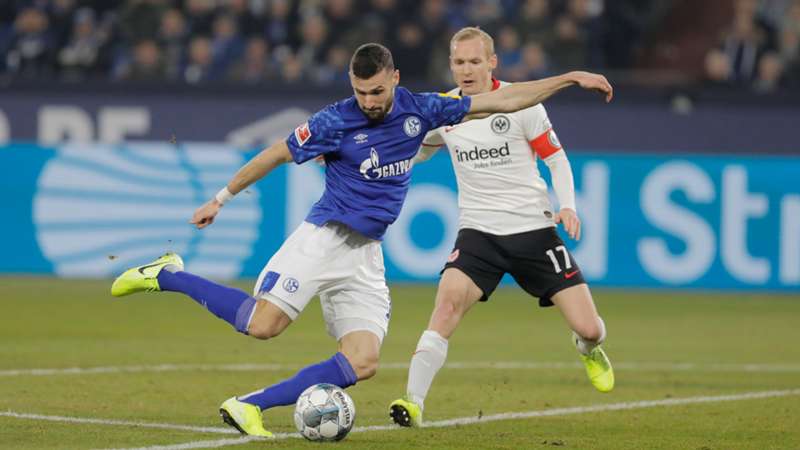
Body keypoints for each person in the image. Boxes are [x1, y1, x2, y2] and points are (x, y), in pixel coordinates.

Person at [110, 42, 612, 437]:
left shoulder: (423, 111)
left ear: (394, 79)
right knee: (263, 326)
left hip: (366, 254)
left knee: (364, 361)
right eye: (360, 92)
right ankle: (169, 274)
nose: (369, 102)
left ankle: (247, 406)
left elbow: (503, 98)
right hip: (325, 236)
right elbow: (275, 154)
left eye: (377, 92)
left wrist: (570, 78)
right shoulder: (334, 121)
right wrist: (220, 197)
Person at [389, 27, 614, 428]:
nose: (466, 70)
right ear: (451, 65)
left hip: (533, 229)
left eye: (475, 61)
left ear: (492, 62)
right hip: (478, 234)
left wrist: (566, 206)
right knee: (446, 305)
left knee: (590, 327)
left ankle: (588, 347)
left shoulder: (522, 103)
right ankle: (413, 401)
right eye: (459, 62)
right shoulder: (445, 110)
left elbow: (556, 159)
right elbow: (417, 153)